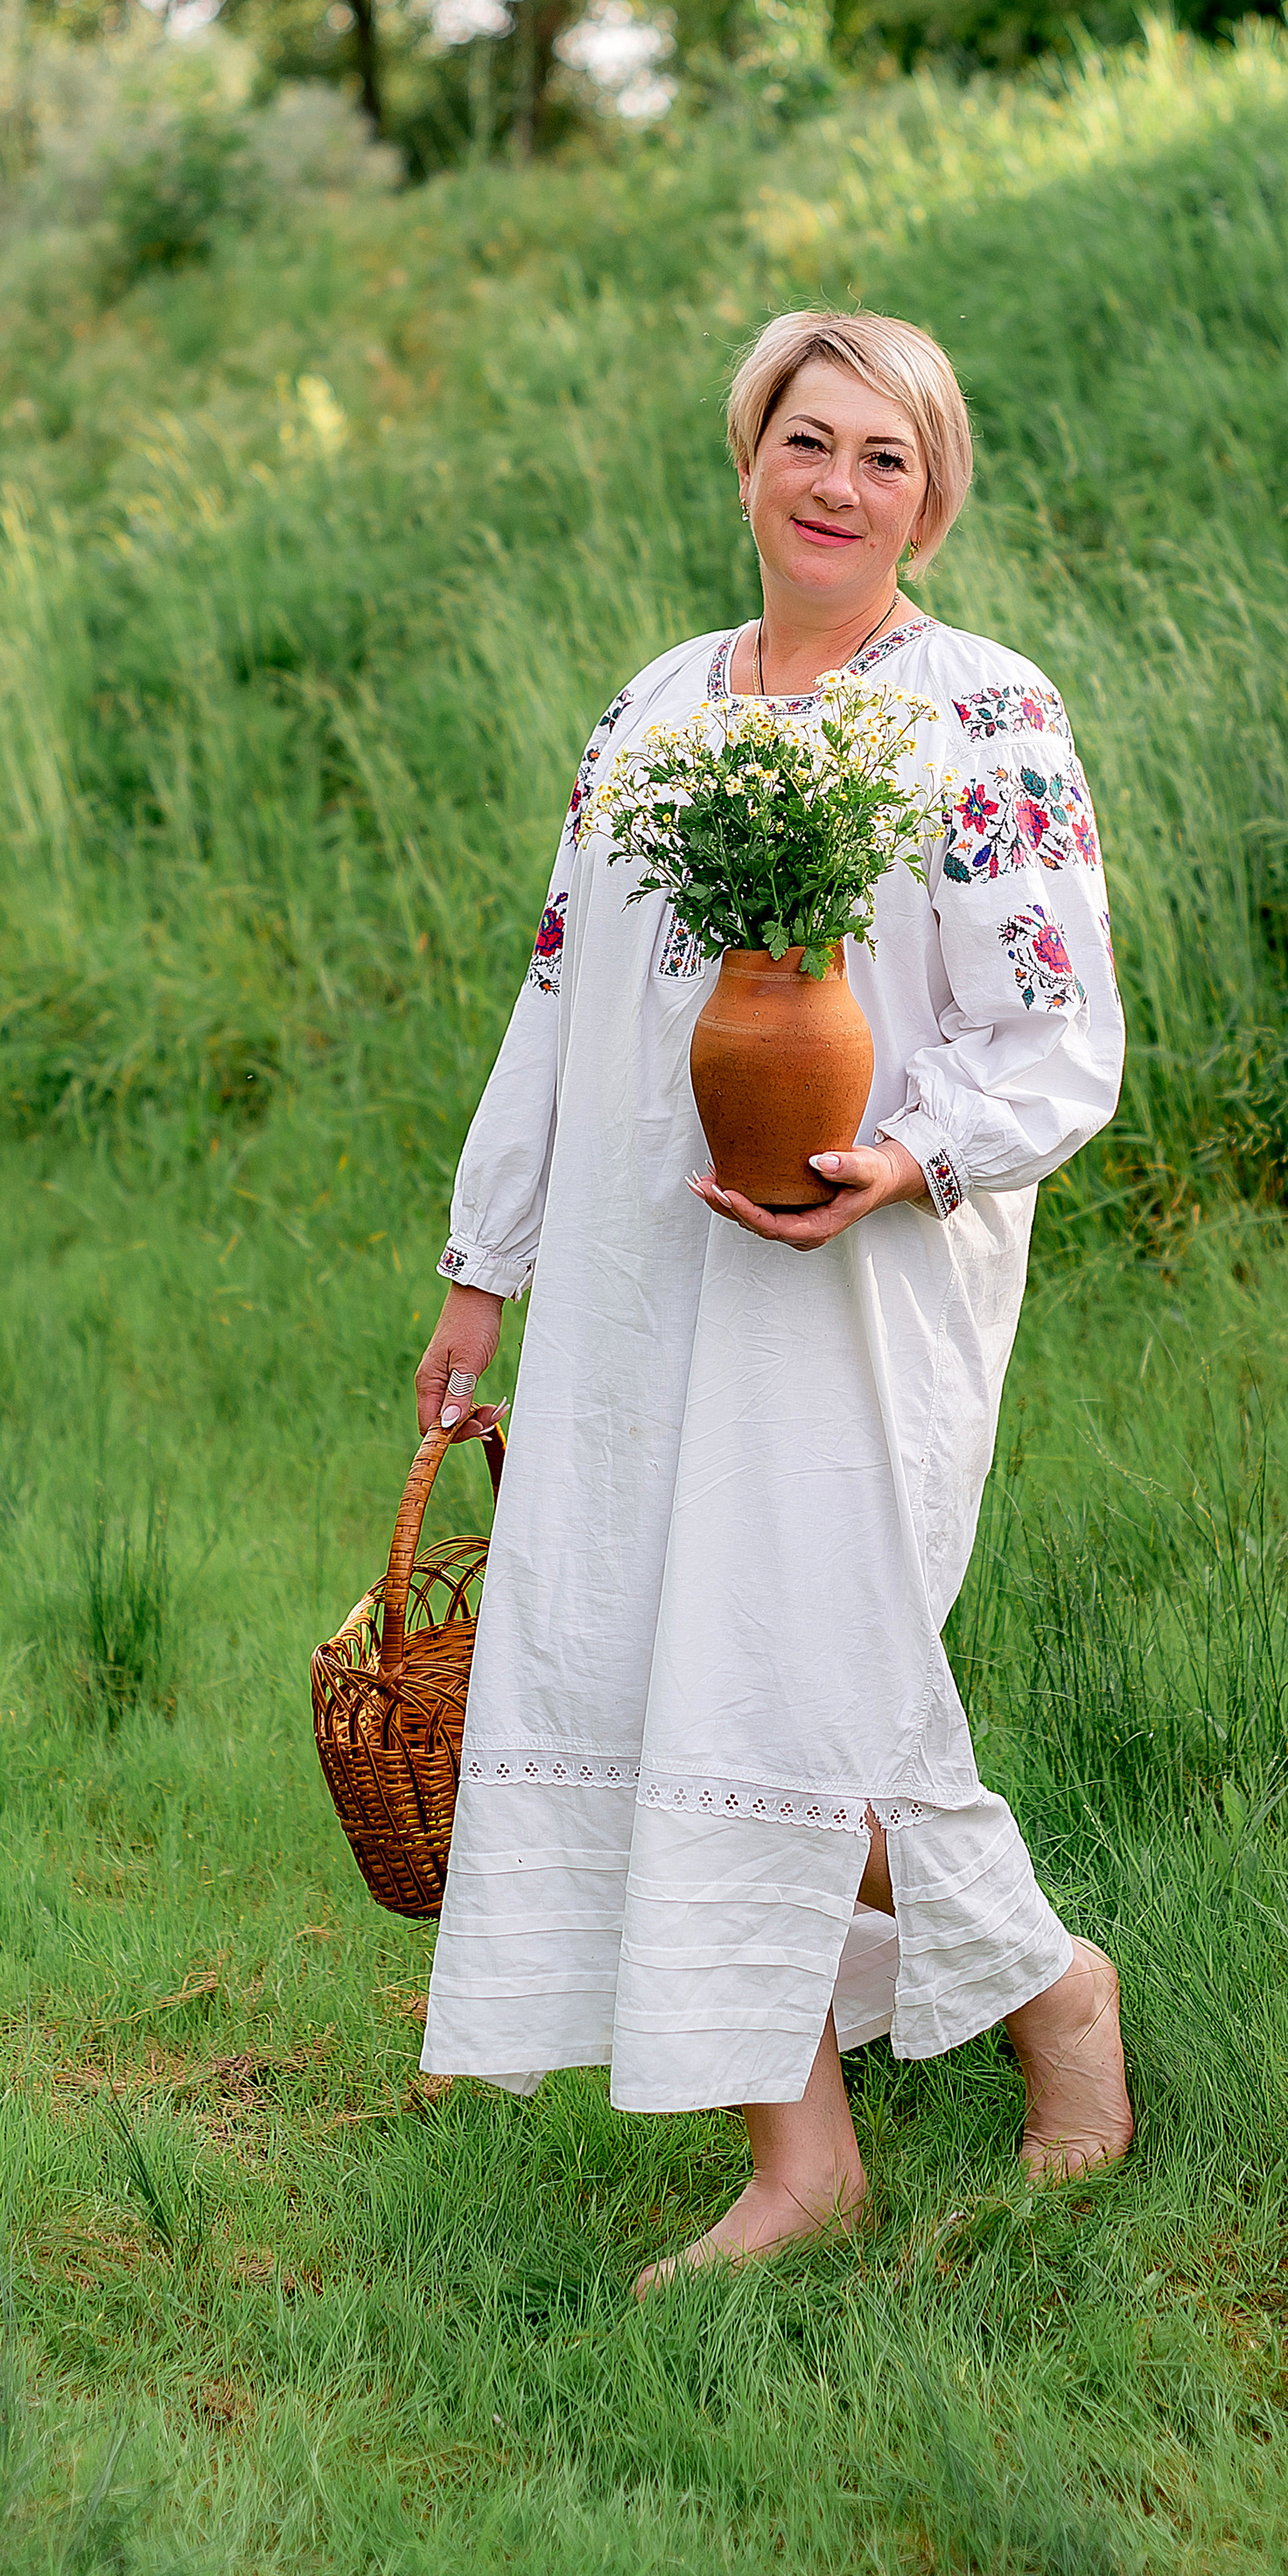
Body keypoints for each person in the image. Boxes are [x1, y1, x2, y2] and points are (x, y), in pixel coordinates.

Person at [412, 309, 1130, 2282]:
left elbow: (1056, 1032)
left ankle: (1053, 1988)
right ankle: (800, 2162)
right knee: (659, 1666)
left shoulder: (978, 709)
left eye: (880, 458)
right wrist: (486, 1270)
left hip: (857, 1265)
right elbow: (560, 1003)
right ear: (744, 459)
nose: (833, 485)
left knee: (814, 1678)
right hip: (646, 1272)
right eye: (803, 442)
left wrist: (904, 1154)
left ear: (931, 493)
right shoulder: (652, 709)